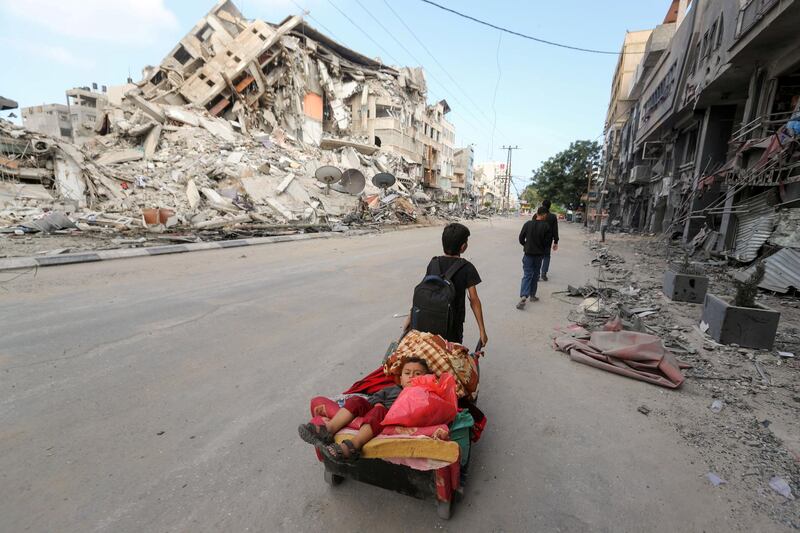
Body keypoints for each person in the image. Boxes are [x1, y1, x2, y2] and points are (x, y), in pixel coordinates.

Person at [298, 357, 431, 462]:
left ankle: (352, 446)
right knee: (357, 400)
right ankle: (329, 429)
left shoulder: (424, 393)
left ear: (427, 378)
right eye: (407, 373)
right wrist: (378, 403)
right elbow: (373, 398)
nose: (411, 376)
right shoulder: (392, 389)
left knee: (379, 411)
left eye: (417, 374)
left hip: (389, 418)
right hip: (374, 412)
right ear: (401, 379)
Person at [403, 223, 488, 348]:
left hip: (425, 322)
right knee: (451, 359)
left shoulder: (433, 263)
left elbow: (424, 291)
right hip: (452, 327)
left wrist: (411, 317)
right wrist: (482, 330)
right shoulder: (467, 268)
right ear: (463, 247)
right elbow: (474, 300)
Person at [517, 206, 552, 309]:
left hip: (528, 254)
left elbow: (521, 238)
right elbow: (547, 243)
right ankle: (532, 296)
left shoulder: (528, 224)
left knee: (527, 274)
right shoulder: (546, 226)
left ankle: (524, 295)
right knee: (536, 275)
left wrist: (526, 245)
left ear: (537, 213)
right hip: (538, 255)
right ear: (545, 215)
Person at [540, 199, 559, 281]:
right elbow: (555, 230)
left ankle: (536, 274)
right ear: (550, 206)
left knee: (538, 256)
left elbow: (532, 227)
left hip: (538, 240)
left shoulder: (537, 215)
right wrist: (556, 241)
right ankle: (543, 273)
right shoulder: (553, 217)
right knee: (546, 256)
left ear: (542, 205)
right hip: (548, 240)